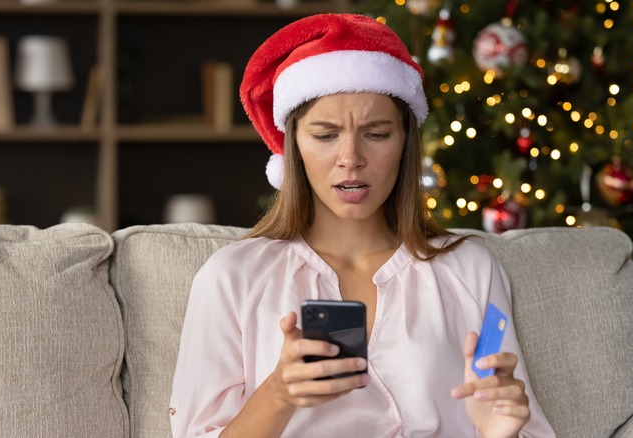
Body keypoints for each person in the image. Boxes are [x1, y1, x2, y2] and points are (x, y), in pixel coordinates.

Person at [169, 13, 556, 438]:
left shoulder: (470, 269)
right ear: (293, 146)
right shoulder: (232, 276)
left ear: (406, 143)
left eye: (376, 134)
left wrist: (500, 433)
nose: (350, 158)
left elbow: (523, 426)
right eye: (325, 135)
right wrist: (278, 394)